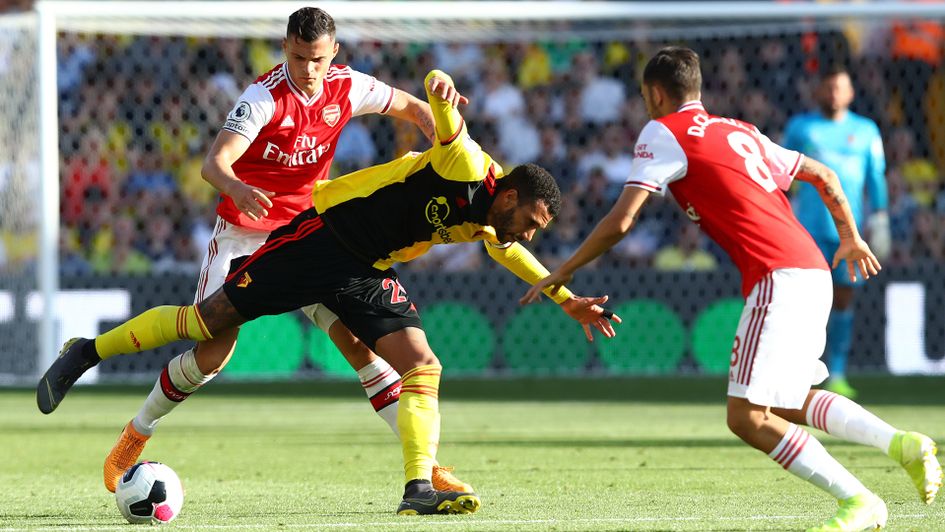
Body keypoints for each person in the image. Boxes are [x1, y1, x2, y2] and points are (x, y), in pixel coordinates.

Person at [37, 69, 619, 515]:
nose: (530, 234)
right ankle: (87, 352)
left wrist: (563, 297)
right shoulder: (465, 165)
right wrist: (440, 87)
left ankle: (419, 481)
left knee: (419, 364)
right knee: (205, 329)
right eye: (532, 222)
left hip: (366, 268)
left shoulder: (492, 221)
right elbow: (444, 114)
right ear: (511, 197)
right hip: (317, 238)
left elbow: (505, 249)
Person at [523, 47, 942, 531]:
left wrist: (565, 270)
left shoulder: (663, 131)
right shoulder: (741, 130)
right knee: (784, 401)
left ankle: (860, 501)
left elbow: (622, 220)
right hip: (811, 269)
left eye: (643, 96)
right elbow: (823, 175)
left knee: (746, 416)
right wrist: (850, 237)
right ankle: (902, 444)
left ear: (655, 94)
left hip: (777, 274)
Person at [87, 7, 473, 496]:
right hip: (244, 232)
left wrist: (442, 128)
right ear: (285, 47)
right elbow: (214, 164)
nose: (308, 69)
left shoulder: (348, 86)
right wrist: (237, 187)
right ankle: (137, 432)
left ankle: (426, 467)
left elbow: (414, 108)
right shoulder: (263, 97)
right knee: (212, 353)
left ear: (333, 53)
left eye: (317, 59)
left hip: (310, 235)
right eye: (298, 57)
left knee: (357, 345)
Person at [782, 65, 889, 399]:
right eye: (828, 88)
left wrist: (881, 218)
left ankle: (837, 372)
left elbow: (875, 176)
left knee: (843, 299)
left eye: (839, 88)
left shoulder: (866, 130)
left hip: (847, 232)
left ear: (851, 93)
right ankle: (798, 371)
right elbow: (782, 175)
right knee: (804, 301)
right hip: (808, 229)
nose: (833, 94)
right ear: (818, 91)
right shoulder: (801, 127)